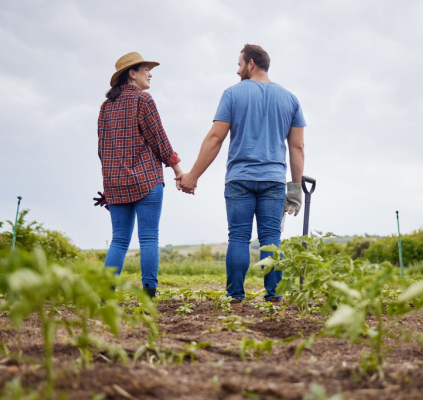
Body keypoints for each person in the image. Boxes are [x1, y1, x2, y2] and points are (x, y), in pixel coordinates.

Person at [177, 44, 306, 306]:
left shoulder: (232, 94)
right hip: (273, 180)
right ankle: (275, 298)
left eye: (238, 65)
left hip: (239, 179)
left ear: (250, 64)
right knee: (271, 239)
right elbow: (297, 146)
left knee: (238, 236)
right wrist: (295, 187)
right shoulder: (290, 99)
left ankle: (235, 298)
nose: (237, 71)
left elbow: (215, 137)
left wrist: (192, 175)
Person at [96, 51, 183, 298]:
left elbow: (102, 150)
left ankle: (105, 295)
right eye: (146, 69)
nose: (150, 73)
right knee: (148, 238)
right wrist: (178, 170)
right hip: (147, 179)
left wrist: (111, 185)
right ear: (132, 74)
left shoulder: (105, 107)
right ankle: (148, 295)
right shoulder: (143, 100)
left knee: (119, 240)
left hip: (116, 184)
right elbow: (160, 142)